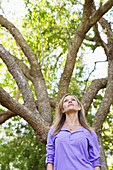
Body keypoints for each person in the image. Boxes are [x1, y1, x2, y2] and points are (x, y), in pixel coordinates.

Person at [46, 93, 101, 170]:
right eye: (66, 101)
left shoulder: (89, 132)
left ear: (79, 107)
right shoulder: (54, 130)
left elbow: (96, 161)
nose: (70, 101)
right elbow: (50, 158)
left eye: (73, 100)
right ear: (62, 110)